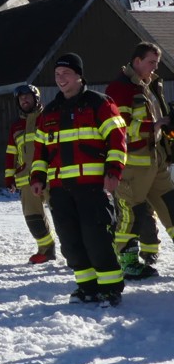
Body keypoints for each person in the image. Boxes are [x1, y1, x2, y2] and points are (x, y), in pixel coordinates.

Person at [30, 53, 127, 307]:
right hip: (61, 190)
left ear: (79, 75)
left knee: (97, 238)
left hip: (92, 187)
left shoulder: (99, 103)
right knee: (70, 242)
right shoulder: (49, 112)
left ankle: (110, 289)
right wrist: (38, 176)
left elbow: (117, 139)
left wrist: (113, 171)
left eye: (66, 74)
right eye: (57, 75)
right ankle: (87, 287)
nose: (61, 79)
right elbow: (40, 150)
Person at [105, 41, 173, 280]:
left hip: (156, 160)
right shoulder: (119, 88)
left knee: (171, 206)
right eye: (151, 63)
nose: (155, 68)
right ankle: (127, 262)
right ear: (136, 62)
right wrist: (153, 126)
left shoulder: (150, 86)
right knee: (129, 216)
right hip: (132, 165)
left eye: (156, 63)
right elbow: (118, 128)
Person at [4, 85, 57, 264]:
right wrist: (9, 177)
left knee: (62, 214)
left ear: (36, 98)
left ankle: (75, 252)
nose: (24, 101)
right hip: (25, 178)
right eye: (21, 99)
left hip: (50, 176)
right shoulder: (16, 126)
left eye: (27, 97)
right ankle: (46, 250)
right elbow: (11, 153)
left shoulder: (49, 117)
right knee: (32, 216)